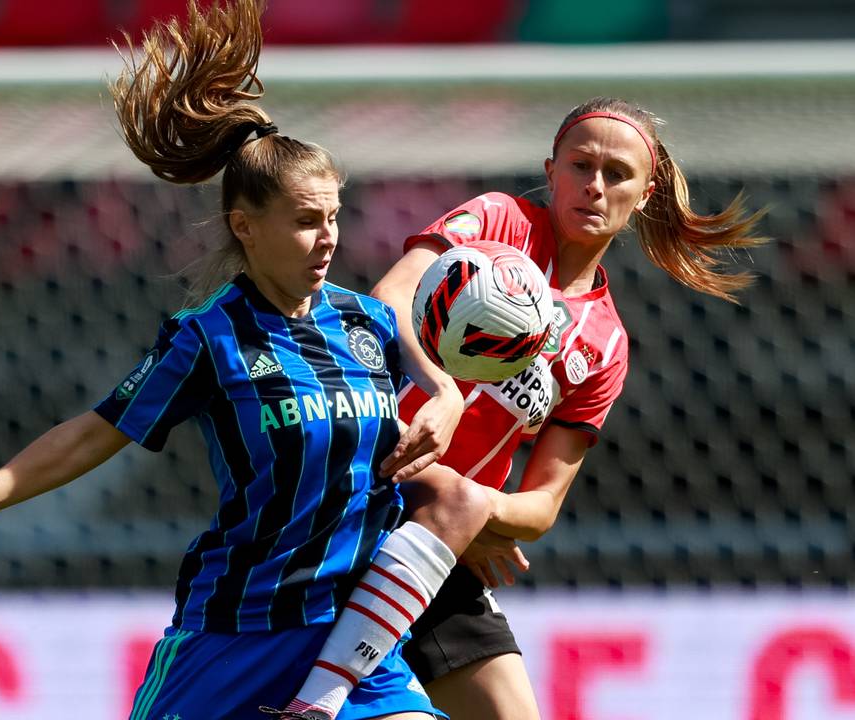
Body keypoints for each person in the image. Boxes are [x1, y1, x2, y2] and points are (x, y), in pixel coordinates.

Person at [0, 1, 491, 718]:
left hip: (349, 639)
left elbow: (435, 397)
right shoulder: (208, 338)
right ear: (244, 226)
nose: (328, 238)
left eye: (334, 216)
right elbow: (94, 433)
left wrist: (448, 401)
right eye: (305, 221)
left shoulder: (367, 322)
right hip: (233, 634)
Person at [281, 97, 767, 719]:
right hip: (355, 484)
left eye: (617, 174)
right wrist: (443, 393)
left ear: (644, 195)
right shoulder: (498, 222)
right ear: (550, 169)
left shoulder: (605, 345)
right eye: (580, 165)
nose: (594, 186)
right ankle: (316, 703)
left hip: (443, 541)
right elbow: (389, 298)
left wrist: (482, 510)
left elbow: (541, 507)